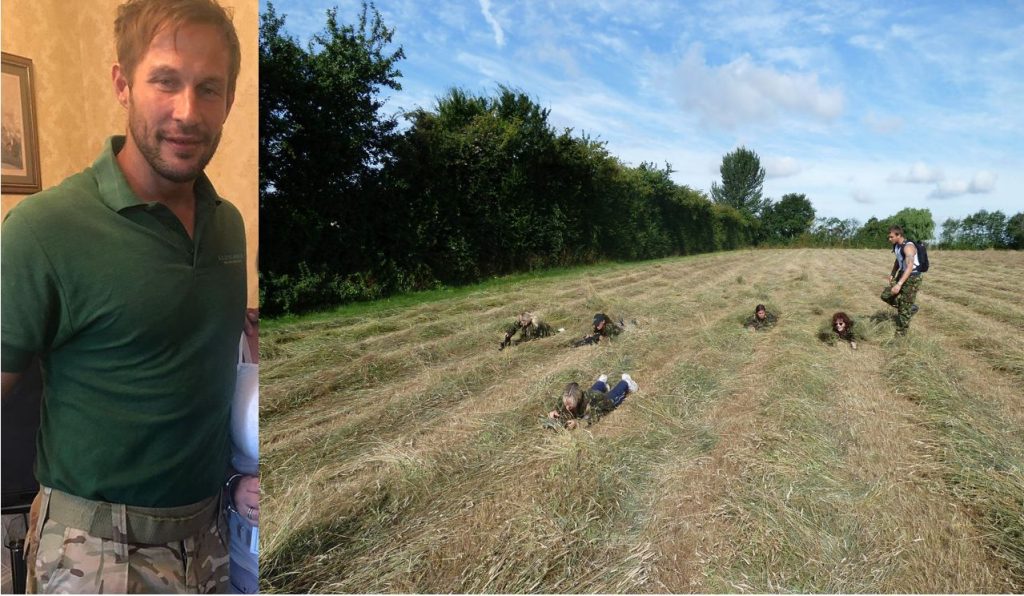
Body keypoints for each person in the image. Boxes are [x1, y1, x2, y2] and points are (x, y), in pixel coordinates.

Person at [1, 1, 248, 592]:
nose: (187, 112)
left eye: (208, 89)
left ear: (230, 100)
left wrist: (244, 477)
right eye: (165, 80)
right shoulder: (44, 229)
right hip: (96, 557)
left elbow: (205, 377)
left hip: (212, 539)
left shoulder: (229, 226)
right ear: (122, 83)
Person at [546, 373, 639, 429]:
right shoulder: (566, 397)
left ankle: (626, 382)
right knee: (592, 392)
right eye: (565, 403)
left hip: (601, 401)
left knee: (612, 400)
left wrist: (578, 423)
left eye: (570, 404)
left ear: (578, 400)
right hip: (590, 395)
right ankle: (601, 383)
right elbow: (559, 408)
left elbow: (595, 417)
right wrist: (553, 412)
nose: (567, 407)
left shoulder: (590, 402)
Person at [880, 225, 923, 336]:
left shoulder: (908, 247)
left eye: (891, 237)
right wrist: (892, 274)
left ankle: (901, 335)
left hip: (913, 277)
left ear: (899, 235)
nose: (889, 239)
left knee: (904, 309)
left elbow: (909, 267)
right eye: (889, 237)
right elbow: (898, 259)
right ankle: (909, 308)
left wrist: (899, 284)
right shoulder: (897, 246)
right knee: (886, 295)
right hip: (902, 273)